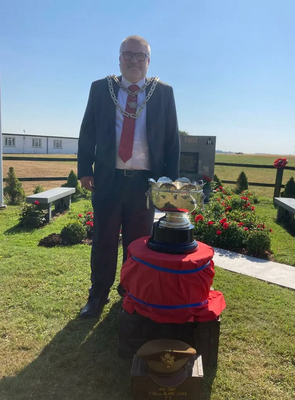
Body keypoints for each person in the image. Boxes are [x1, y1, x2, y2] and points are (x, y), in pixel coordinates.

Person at [77, 35, 180, 318]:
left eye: (140, 56)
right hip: (109, 180)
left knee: (138, 244)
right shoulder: (101, 89)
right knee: (104, 240)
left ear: (149, 61)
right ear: (119, 58)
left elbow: (172, 141)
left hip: (144, 185)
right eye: (128, 54)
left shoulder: (163, 93)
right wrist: (85, 169)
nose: (134, 60)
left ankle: (131, 295)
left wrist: (168, 183)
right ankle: (97, 296)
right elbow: (87, 131)